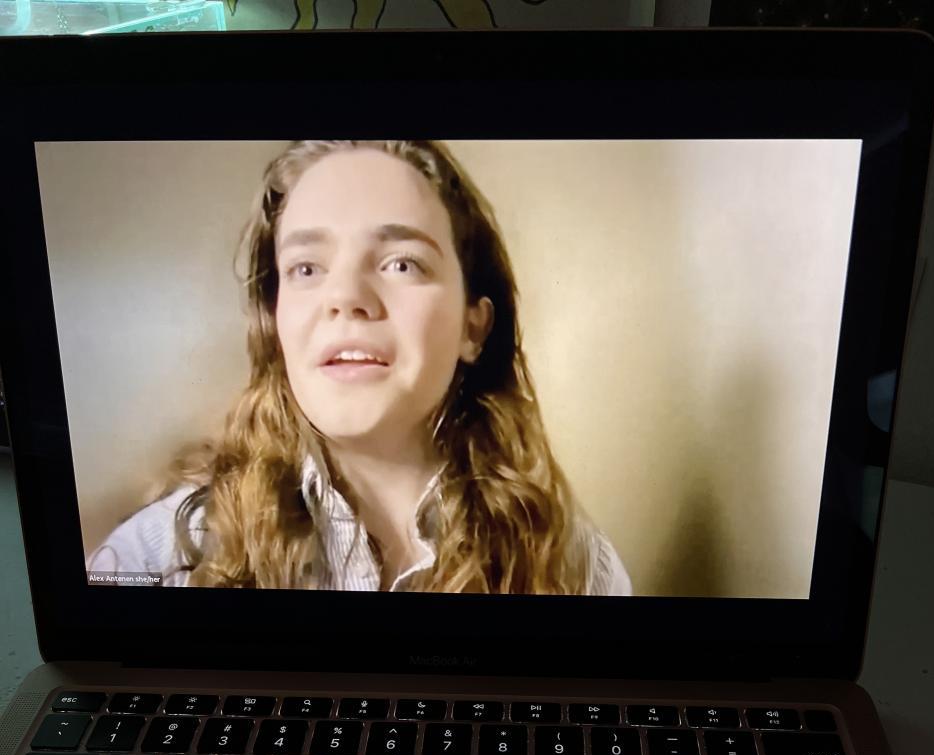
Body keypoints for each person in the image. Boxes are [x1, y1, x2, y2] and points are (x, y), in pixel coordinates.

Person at [86, 139, 632, 594]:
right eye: (306, 268)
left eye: (402, 263)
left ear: (473, 327)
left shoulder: (576, 568)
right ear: (276, 324)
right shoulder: (154, 561)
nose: (345, 297)